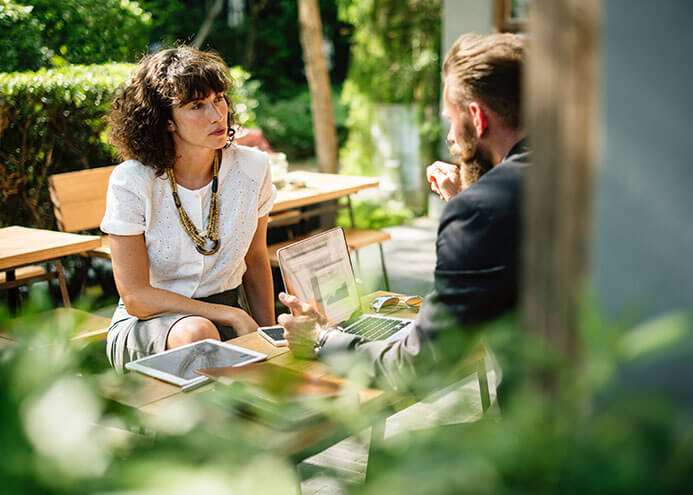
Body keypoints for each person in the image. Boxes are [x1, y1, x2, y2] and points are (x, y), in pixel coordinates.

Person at [278, 33, 528, 389]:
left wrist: (322, 339)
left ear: (477, 117)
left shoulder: (480, 211)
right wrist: (467, 200)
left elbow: (419, 366)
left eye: (450, 120)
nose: (451, 139)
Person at [102, 46, 276, 372]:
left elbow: (255, 260)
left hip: (230, 315)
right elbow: (136, 297)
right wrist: (232, 315)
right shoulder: (132, 180)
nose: (216, 114)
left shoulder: (253, 167)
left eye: (219, 98)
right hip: (152, 324)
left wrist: (268, 336)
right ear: (166, 121)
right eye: (197, 106)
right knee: (199, 333)